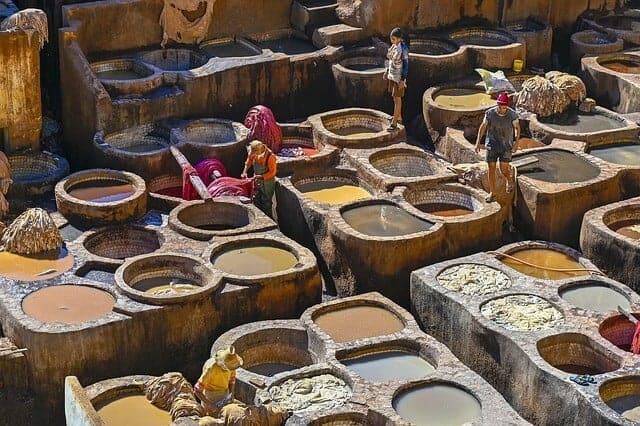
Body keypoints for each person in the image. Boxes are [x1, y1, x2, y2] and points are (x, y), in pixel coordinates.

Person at [475, 92, 520, 202]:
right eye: (501, 106)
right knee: (491, 169)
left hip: (506, 146)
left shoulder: (512, 115)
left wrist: (516, 143)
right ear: (498, 105)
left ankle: (509, 179)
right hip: (492, 144)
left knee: (503, 169)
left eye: (505, 106)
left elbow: (517, 129)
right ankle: (492, 193)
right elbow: (483, 127)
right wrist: (477, 142)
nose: (503, 108)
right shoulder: (490, 113)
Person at [194, 346, 243, 416]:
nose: (232, 369)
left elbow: (232, 379)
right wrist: (210, 405)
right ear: (223, 364)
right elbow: (197, 390)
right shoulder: (211, 368)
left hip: (225, 394)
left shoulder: (231, 365)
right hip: (211, 397)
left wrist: (232, 392)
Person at [241, 140, 277, 215]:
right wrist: (244, 172)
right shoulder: (253, 151)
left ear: (260, 150)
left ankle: (268, 220)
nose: (253, 155)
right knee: (256, 199)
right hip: (257, 180)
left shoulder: (270, 157)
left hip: (267, 183)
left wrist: (261, 176)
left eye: (255, 153)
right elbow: (249, 161)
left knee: (266, 202)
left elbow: (272, 172)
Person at [383, 27, 409, 130]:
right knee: (394, 97)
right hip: (392, 75)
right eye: (391, 38)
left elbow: (406, 66)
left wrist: (403, 80)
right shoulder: (394, 47)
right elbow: (389, 60)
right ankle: (399, 117)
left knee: (397, 99)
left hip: (399, 77)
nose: (391, 40)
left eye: (393, 39)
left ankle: (394, 123)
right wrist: (386, 71)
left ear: (399, 39)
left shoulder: (403, 50)